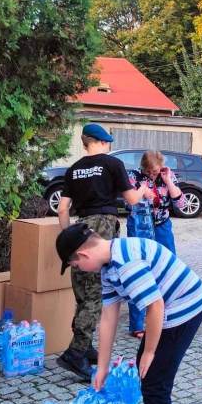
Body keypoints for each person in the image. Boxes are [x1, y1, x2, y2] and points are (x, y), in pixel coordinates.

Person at [57, 225, 202, 404]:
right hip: (168, 306)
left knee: (155, 383)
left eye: (75, 264)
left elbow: (156, 306)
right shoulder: (108, 267)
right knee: (147, 373)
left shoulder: (125, 263)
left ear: (82, 254)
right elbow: (108, 318)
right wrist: (101, 367)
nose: (79, 269)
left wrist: (150, 351)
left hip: (183, 307)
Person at [56, 123, 152, 382]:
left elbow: (63, 209)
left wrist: (68, 238)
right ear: (102, 141)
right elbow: (132, 200)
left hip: (81, 227)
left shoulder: (73, 169)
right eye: (108, 142)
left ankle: (85, 346)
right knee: (97, 293)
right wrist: (143, 190)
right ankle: (75, 353)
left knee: (82, 292)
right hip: (104, 228)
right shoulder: (112, 164)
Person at [125, 151, 186, 339]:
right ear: (143, 168)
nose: (154, 175)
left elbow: (181, 203)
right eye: (150, 172)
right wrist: (142, 190)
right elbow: (129, 200)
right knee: (138, 273)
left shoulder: (167, 174)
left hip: (162, 226)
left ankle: (167, 317)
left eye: (156, 171)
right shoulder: (133, 176)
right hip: (138, 226)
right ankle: (136, 324)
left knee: (167, 270)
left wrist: (167, 180)